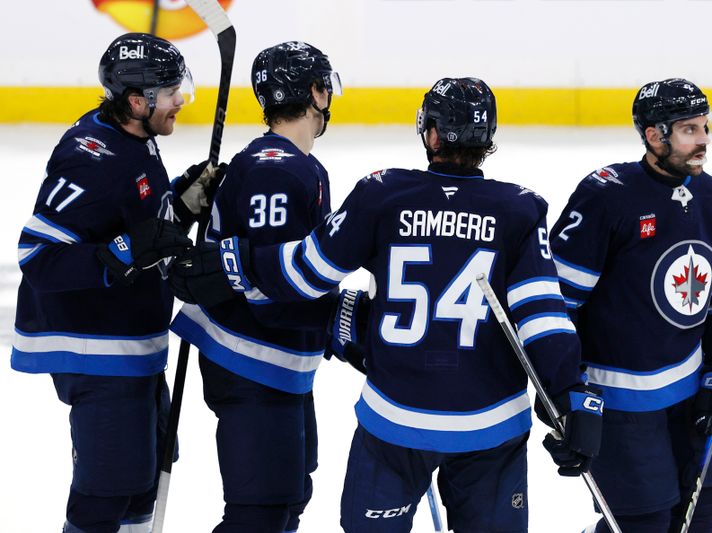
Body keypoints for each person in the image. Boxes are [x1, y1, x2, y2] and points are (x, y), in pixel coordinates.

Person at [170, 77, 604, 533]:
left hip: (396, 419)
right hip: (489, 426)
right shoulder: (521, 209)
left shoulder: (382, 193)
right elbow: (543, 315)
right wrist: (570, 395)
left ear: (431, 134)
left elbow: (306, 271)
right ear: (487, 139)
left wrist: (235, 262)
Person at [10, 33, 217, 533]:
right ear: (136, 100)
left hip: (131, 338)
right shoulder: (91, 158)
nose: (181, 99)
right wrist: (124, 251)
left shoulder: (132, 138)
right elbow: (37, 256)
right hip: (96, 348)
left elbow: (131, 220)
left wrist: (178, 206)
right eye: (170, 91)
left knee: (142, 480)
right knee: (109, 488)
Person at [549, 78, 712, 533]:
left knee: (705, 508)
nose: (703, 140)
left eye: (706, 126)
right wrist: (568, 391)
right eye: (688, 129)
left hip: (691, 385)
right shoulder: (606, 196)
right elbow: (556, 305)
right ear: (654, 136)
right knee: (642, 524)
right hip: (618, 399)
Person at [169, 41, 342, 533]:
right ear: (315, 92)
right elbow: (271, 288)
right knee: (259, 513)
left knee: (288, 498)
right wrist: (343, 324)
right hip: (251, 360)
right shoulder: (278, 170)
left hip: (276, 363)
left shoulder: (288, 162)